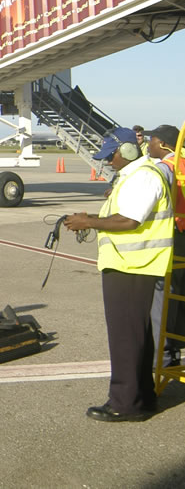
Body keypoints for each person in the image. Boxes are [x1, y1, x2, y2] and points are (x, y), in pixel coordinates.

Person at [64, 126, 174, 422]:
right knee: (136, 336)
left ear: (125, 151)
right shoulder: (132, 176)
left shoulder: (144, 177)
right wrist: (88, 218)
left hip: (133, 265)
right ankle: (143, 397)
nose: (107, 161)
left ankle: (124, 403)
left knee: (125, 338)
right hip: (129, 264)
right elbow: (123, 216)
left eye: (110, 156)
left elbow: (128, 221)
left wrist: (89, 223)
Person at [144, 124, 185, 367]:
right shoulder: (182, 165)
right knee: (178, 296)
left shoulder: (163, 169)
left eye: (152, 140)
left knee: (163, 299)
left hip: (171, 237)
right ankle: (174, 350)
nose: (148, 144)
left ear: (162, 144)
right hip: (183, 235)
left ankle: (164, 355)